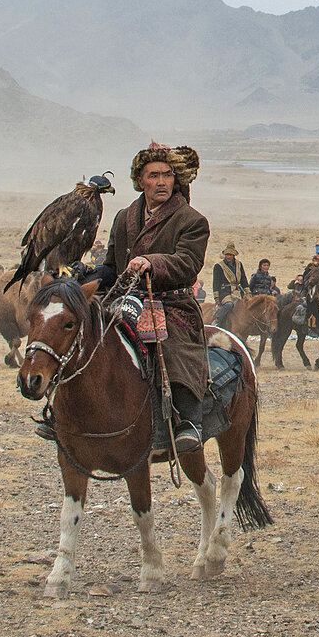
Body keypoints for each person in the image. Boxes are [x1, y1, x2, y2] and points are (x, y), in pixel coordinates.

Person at [82, 143, 210, 453]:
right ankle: (66, 408)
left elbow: (188, 263)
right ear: (140, 180)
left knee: (174, 345)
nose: (163, 182)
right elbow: (112, 267)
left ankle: (188, 421)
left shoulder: (192, 220)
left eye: (168, 175)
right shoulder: (125, 217)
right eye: (154, 175)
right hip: (125, 297)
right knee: (78, 333)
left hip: (171, 302)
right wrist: (83, 275)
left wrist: (152, 262)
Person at [211, 242, 249, 328]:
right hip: (225, 292)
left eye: (231, 255)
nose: (229, 256)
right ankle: (217, 319)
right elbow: (216, 283)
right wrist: (216, 298)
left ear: (234, 255)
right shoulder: (218, 266)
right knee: (229, 305)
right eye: (227, 254)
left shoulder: (239, 264)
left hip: (238, 292)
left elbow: (243, 280)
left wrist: (248, 292)